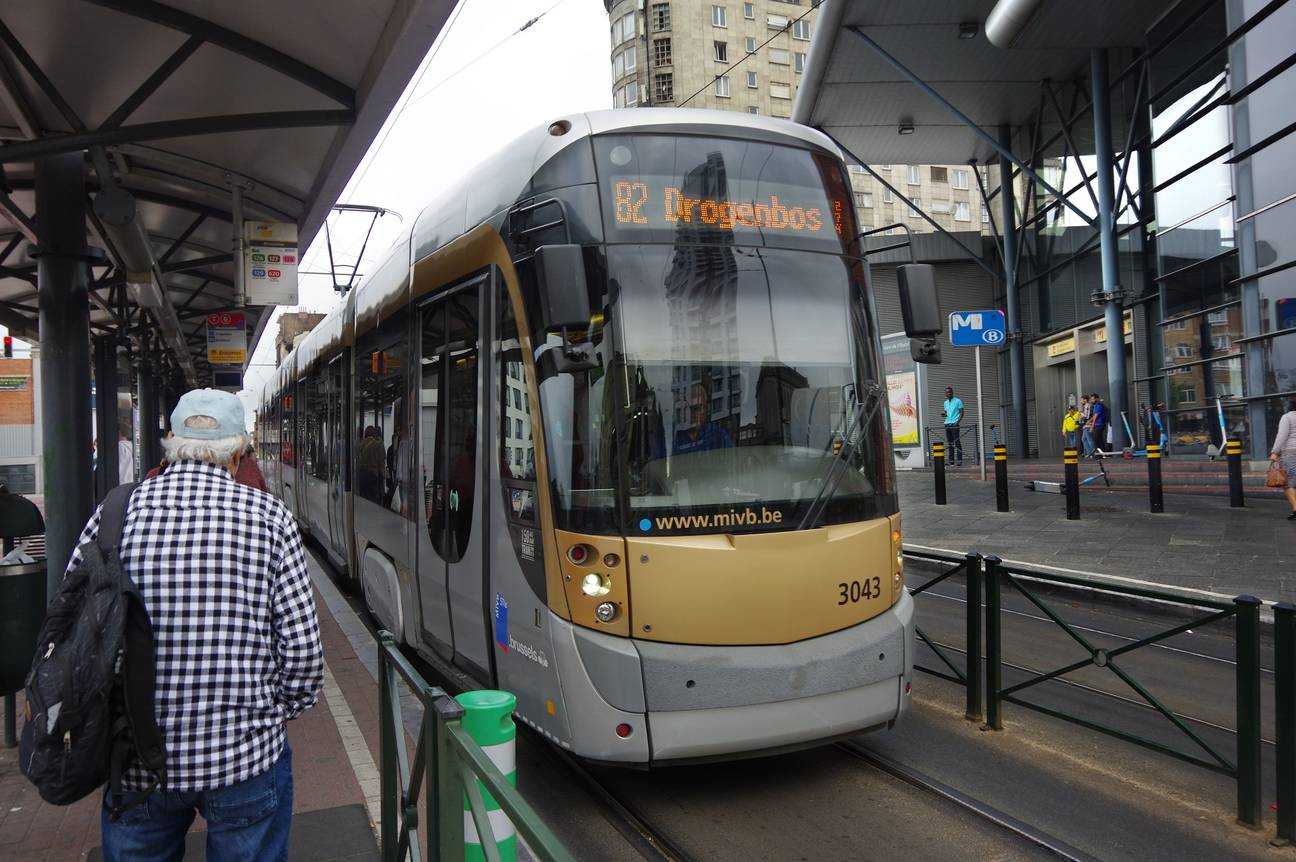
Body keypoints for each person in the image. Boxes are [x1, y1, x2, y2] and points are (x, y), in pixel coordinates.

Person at [68, 388, 322, 861]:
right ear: (239, 451)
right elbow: (303, 655)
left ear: (169, 442)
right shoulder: (270, 519)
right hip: (244, 757)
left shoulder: (114, 515)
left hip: (138, 759)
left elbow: (74, 633)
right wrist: (271, 712)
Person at [672, 380, 733, 455]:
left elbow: (733, 463)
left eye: (697, 408)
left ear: (706, 409)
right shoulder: (673, 440)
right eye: (687, 409)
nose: (692, 414)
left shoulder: (719, 437)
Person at [1270, 396, 1296, 520]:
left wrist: (1275, 451)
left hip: (1291, 453)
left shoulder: (1287, 417)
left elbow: (1282, 436)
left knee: (1289, 482)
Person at [942, 386, 964, 466]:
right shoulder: (945, 403)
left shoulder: (958, 401)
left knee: (957, 442)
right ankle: (951, 461)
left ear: (952, 392)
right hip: (947, 424)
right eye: (947, 392)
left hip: (955, 424)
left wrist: (957, 422)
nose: (949, 393)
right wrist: (944, 415)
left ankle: (959, 460)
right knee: (950, 443)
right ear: (945, 394)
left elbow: (962, 413)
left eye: (950, 392)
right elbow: (947, 413)